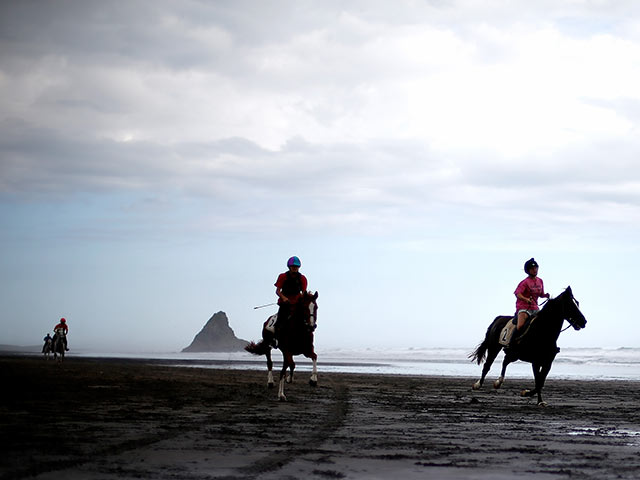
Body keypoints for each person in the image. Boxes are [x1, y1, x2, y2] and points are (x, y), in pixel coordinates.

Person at [508, 258, 550, 347]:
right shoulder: (524, 282)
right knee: (520, 326)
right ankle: (511, 345)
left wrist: (546, 295)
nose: (535, 270)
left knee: (545, 323)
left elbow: (540, 294)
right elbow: (517, 294)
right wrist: (526, 299)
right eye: (532, 269)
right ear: (528, 270)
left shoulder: (540, 281)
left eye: (536, 268)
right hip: (524, 308)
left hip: (535, 308)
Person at [272, 256, 308, 346]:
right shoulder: (283, 276)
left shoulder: (302, 278)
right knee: (280, 319)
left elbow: (303, 292)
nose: (295, 268)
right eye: (293, 267)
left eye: (296, 267)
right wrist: (283, 298)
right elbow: (277, 291)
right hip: (285, 303)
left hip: (297, 303)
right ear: (289, 267)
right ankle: (275, 339)